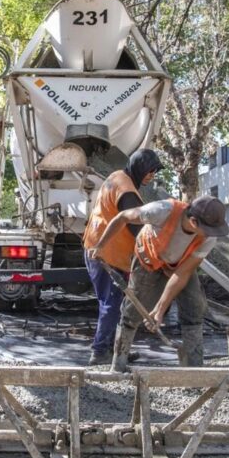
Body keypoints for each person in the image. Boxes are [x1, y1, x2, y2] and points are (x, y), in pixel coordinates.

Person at [90, 195, 229, 371]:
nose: (212, 235)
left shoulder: (209, 237)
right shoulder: (161, 210)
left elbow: (182, 273)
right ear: (193, 221)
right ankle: (118, 363)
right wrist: (101, 245)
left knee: (195, 306)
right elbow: (123, 217)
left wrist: (160, 309)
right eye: (209, 230)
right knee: (132, 311)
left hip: (179, 265)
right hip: (148, 262)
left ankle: (194, 369)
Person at [82, 149, 163, 365]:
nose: (151, 176)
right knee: (111, 303)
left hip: (97, 246)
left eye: (154, 172)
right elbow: (138, 229)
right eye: (149, 171)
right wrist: (156, 254)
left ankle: (115, 348)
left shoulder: (117, 177)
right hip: (106, 253)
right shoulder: (127, 191)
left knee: (111, 303)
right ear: (139, 167)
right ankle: (100, 352)